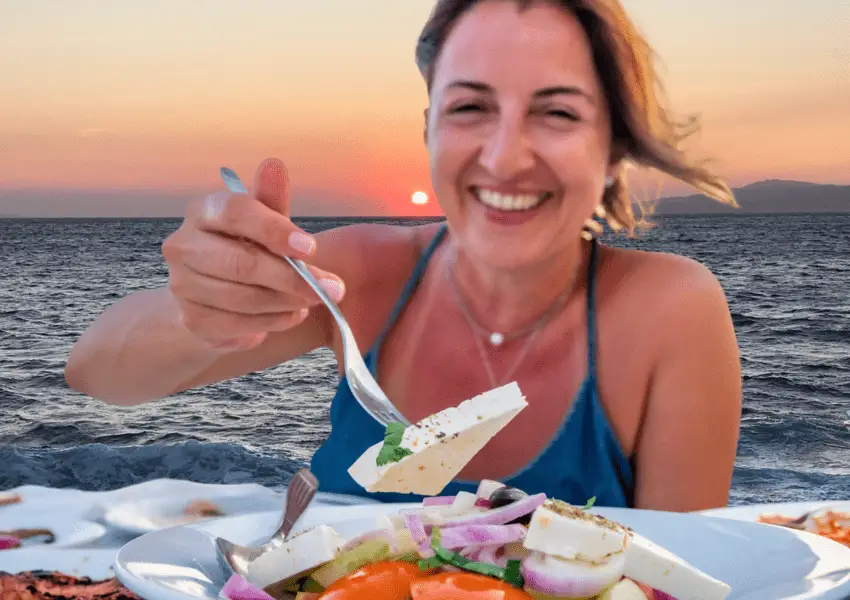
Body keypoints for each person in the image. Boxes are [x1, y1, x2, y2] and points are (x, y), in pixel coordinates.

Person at [65, 0, 742, 512]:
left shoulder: (669, 311)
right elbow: (96, 372)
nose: (506, 157)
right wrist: (202, 316)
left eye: (558, 113)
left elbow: (683, 575)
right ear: (429, 130)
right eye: (470, 107)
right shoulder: (360, 275)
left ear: (613, 148)